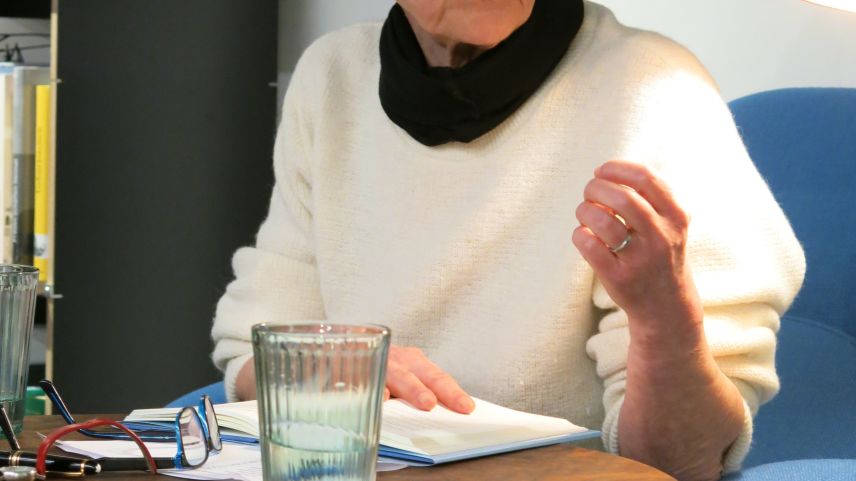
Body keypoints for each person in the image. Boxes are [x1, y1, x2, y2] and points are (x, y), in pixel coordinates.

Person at [211, 1, 805, 480]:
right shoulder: (332, 75)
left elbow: (679, 462)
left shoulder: (657, 91)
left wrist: (664, 316)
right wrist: (337, 374)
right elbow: (251, 349)